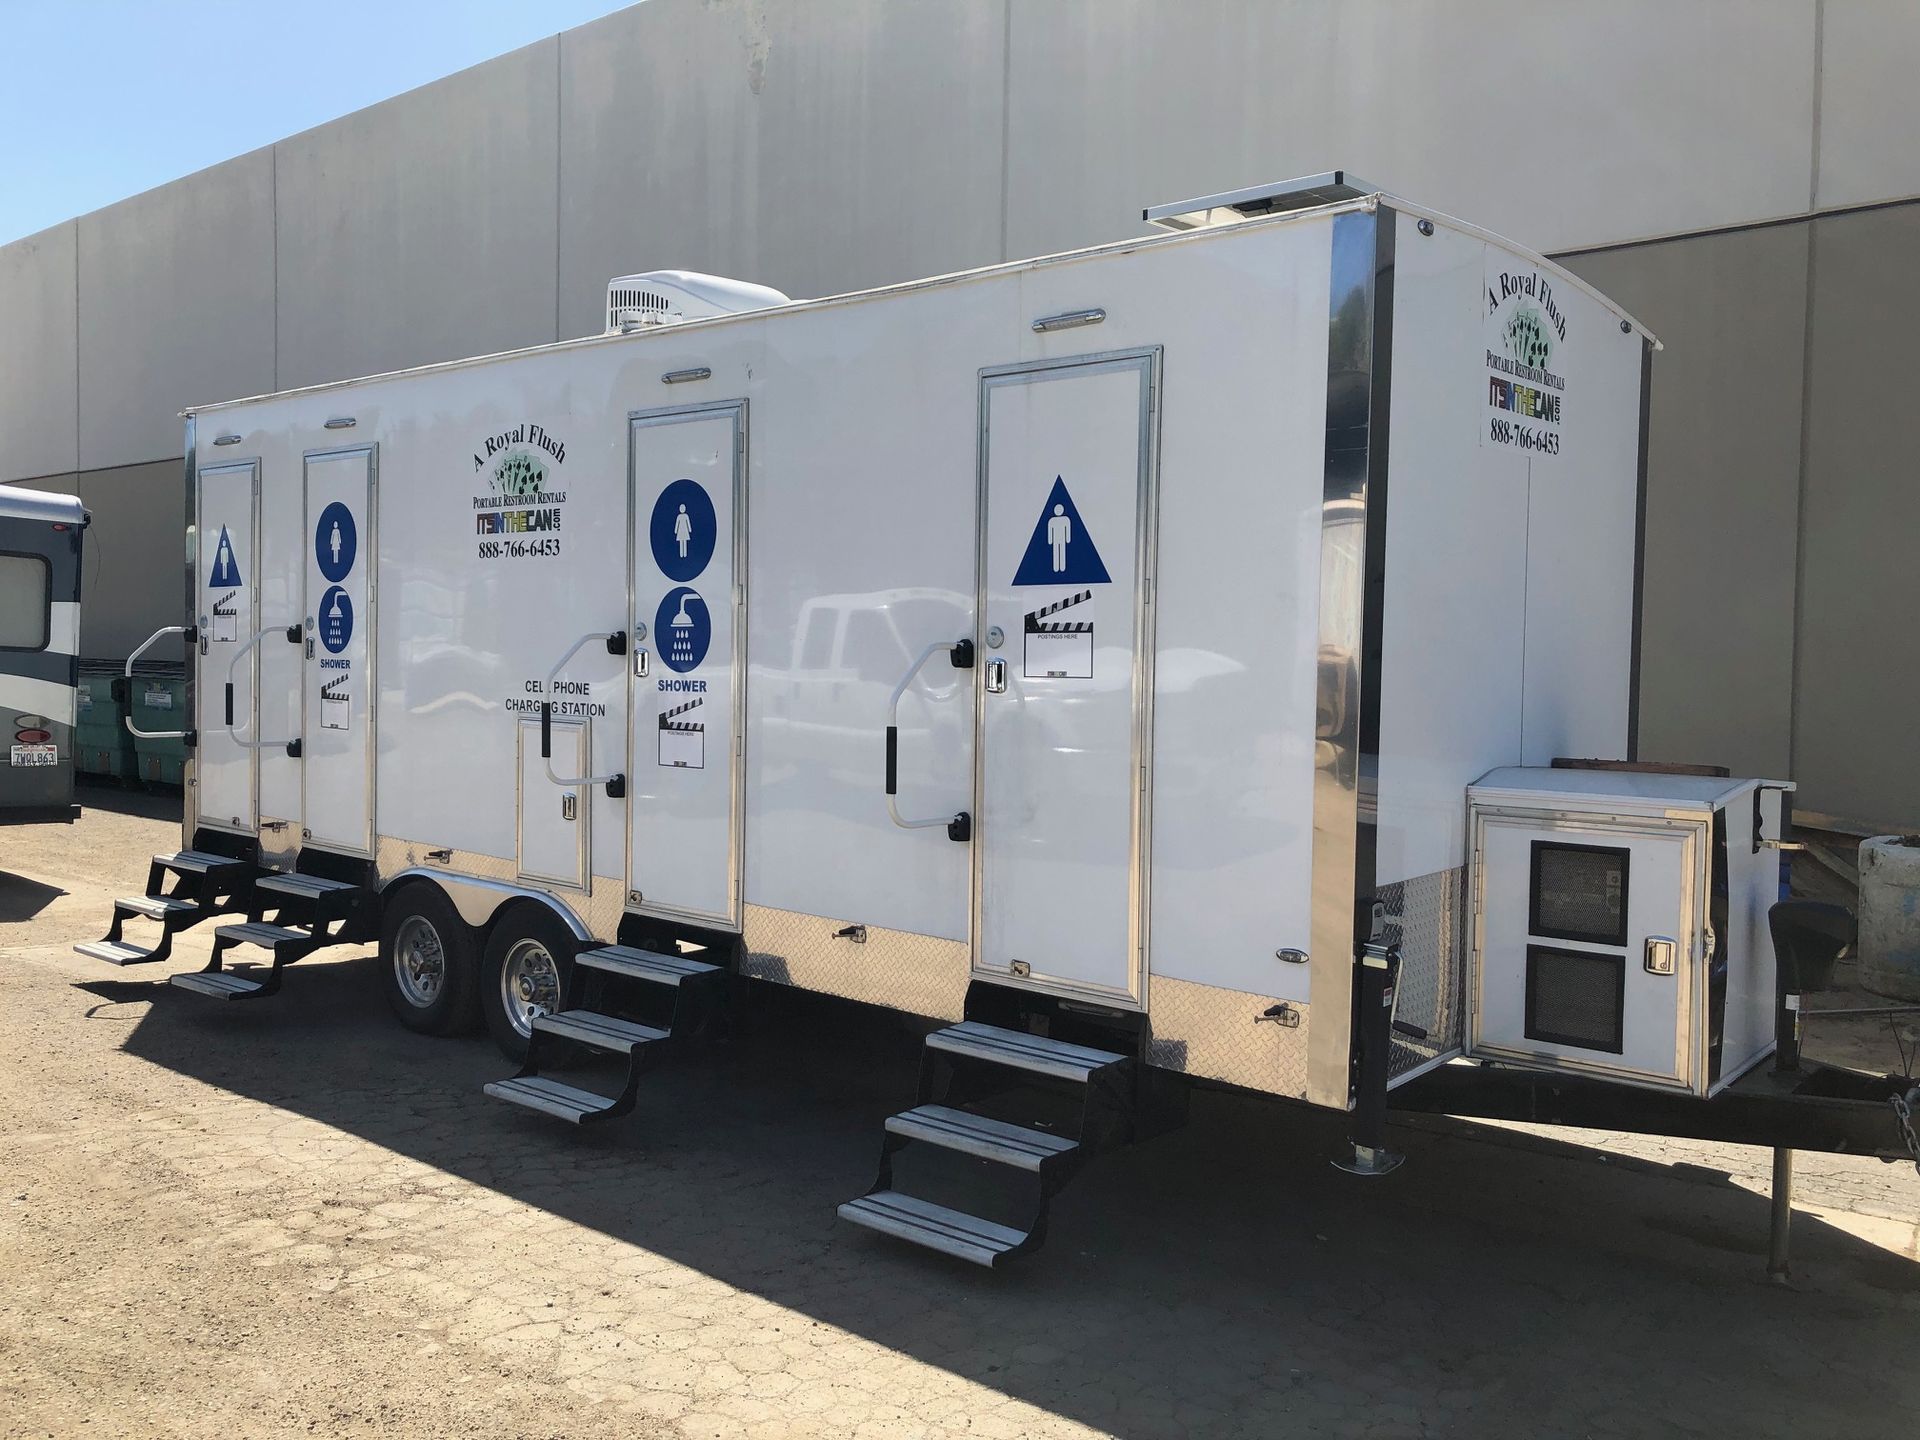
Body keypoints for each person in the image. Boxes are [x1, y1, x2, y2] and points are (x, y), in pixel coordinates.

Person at [1047, 502, 1071, 573]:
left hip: (1062, 539)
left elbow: (1068, 530)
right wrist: (1050, 540)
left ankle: (1063, 567)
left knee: (1062, 552)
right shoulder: (1051, 520)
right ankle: (1056, 568)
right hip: (1055, 540)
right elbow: (1050, 531)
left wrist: (1068, 539)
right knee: (1056, 552)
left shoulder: (1066, 519)